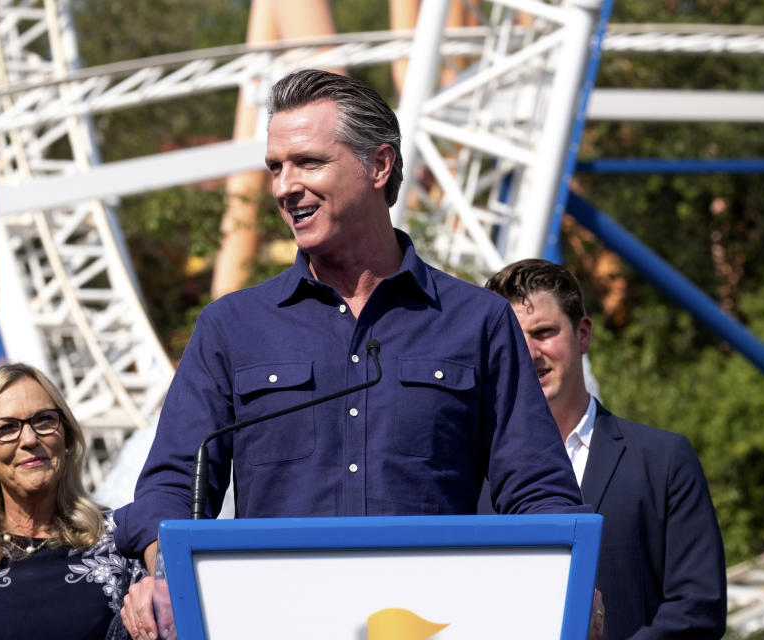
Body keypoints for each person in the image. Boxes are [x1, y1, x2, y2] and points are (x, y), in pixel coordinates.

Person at [116, 69, 586, 638]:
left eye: (308, 162)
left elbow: (538, 488)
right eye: (275, 167)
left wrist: (576, 585)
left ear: (379, 166)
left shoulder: (477, 322)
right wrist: (164, 574)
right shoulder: (230, 328)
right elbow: (171, 483)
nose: (284, 186)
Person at [486, 259, 727, 640]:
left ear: (583, 335)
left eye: (544, 332)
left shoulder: (663, 462)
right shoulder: (470, 475)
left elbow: (698, 609)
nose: (529, 353)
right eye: (515, 340)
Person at [0, 363, 144, 640]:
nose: (30, 439)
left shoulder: (121, 540)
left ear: (66, 435)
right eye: (6, 428)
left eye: (44, 420)